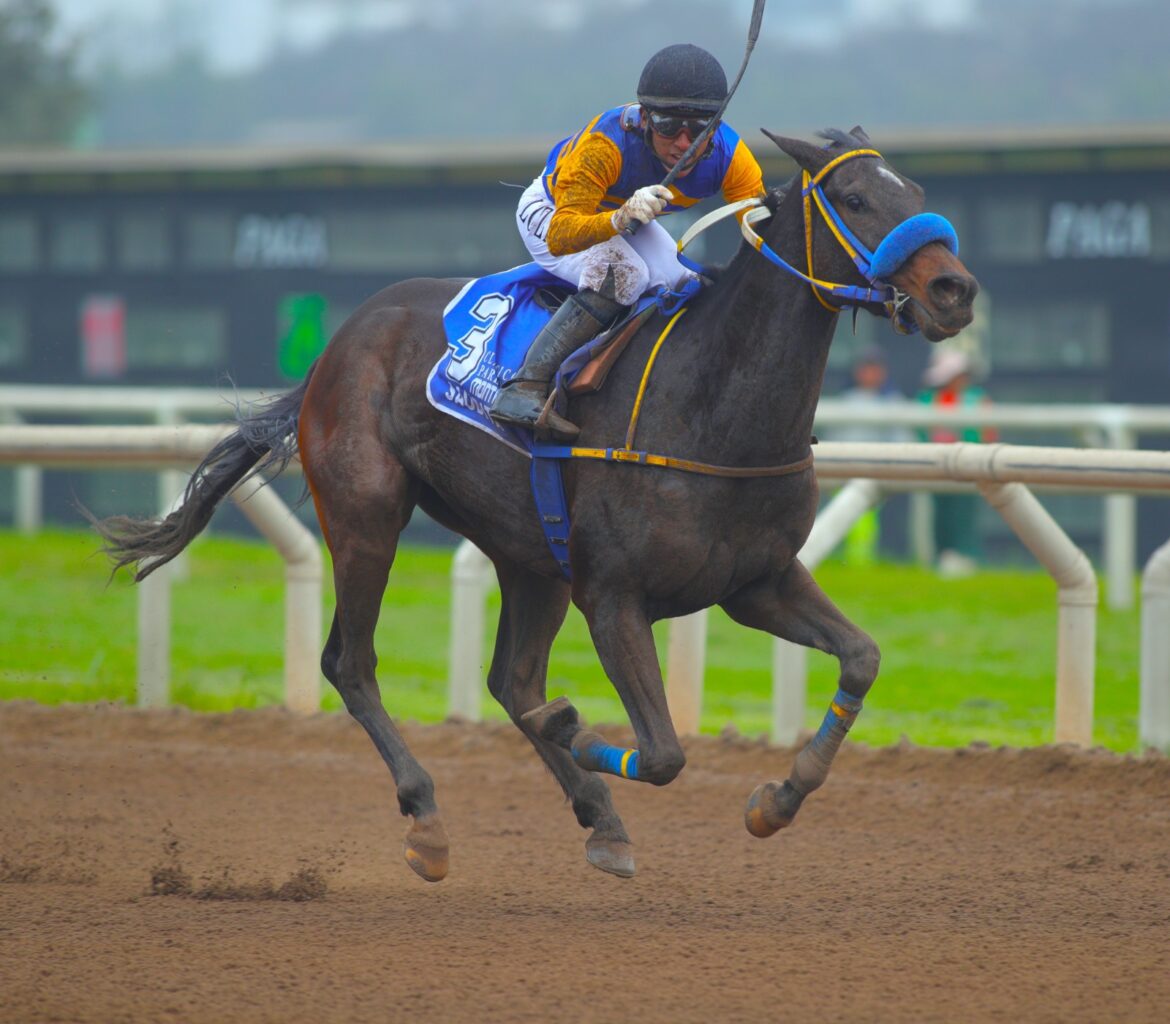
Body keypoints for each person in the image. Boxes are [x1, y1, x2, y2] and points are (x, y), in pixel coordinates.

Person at [489, 43, 766, 440]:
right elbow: (563, 233)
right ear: (646, 119)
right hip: (553, 213)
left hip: (630, 218)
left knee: (686, 283)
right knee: (624, 274)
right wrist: (619, 217)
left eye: (701, 127)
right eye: (670, 126)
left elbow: (761, 234)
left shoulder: (733, 157)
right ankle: (525, 386)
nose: (684, 143)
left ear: (718, 123)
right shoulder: (605, 146)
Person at [828, 345, 912, 564]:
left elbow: (903, 438)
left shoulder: (892, 401)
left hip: (874, 473)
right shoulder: (845, 400)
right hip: (842, 471)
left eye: (875, 368)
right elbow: (831, 434)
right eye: (866, 368)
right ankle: (852, 562)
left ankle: (859, 563)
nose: (870, 374)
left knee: (864, 522)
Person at [917, 348, 996, 577]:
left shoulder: (978, 399)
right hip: (938, 468)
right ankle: (942, 555)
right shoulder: (928, 399)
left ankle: (966, 556)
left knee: (964, 514)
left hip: (969, 468)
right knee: (941, 515)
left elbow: (988, 433)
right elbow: (921, 432)